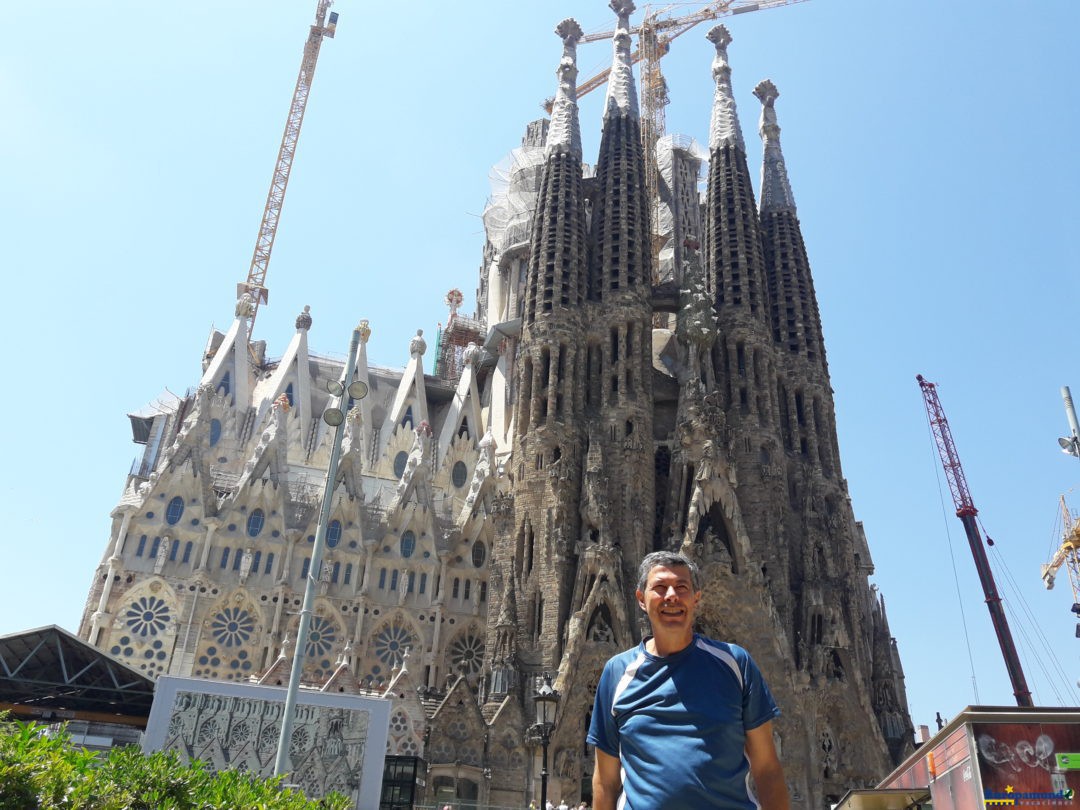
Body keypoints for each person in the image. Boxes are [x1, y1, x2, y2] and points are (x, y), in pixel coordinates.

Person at [587, 551, 790, 810]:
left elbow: (767, 769)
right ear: (641, 599)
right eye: (659, 587)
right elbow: (605, 781)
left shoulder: (735, 663)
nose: (671, 596)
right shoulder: (617, 673)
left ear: (696, 598)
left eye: (681, 587)